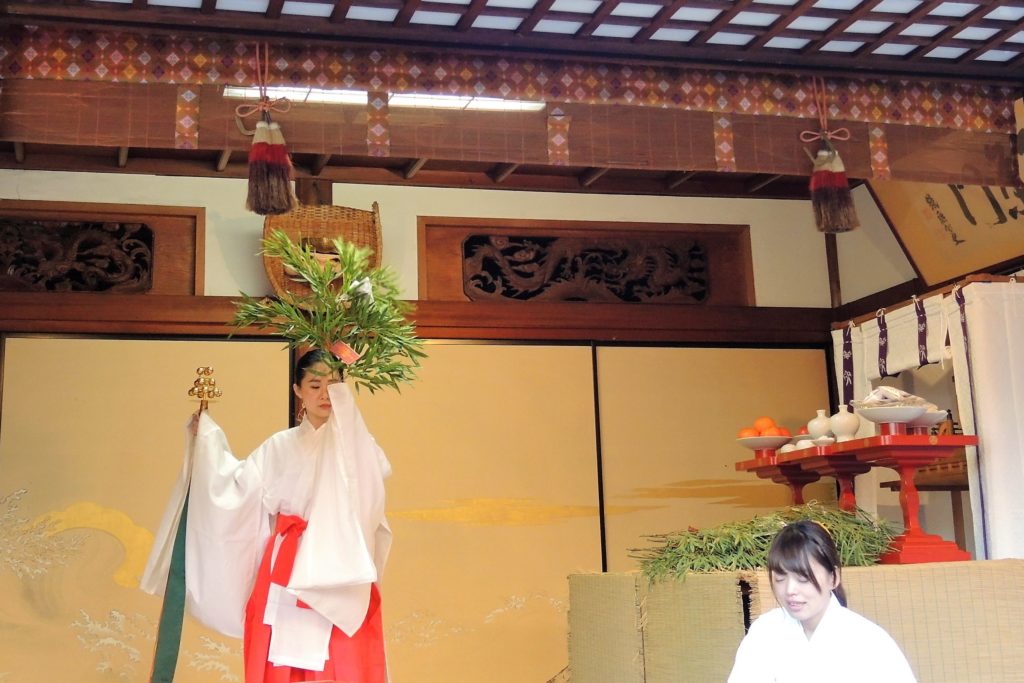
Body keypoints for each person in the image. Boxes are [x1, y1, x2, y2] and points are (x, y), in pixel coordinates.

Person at [142, 349, 392, 683]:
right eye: (314, 385)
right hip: (284, 569)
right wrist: (208, 441)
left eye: (333, 385)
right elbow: (235, 488)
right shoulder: (279, 446)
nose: (324, 394)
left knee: (340, 664)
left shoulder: (358, 446)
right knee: (278, 662)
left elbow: (370, 492)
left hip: (339, 569)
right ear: (298, 390)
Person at [727, 520, 917, 683]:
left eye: (803, 579)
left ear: (833, 578)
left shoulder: (868, 640)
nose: (790, 590)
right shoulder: (765, 631)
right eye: (780, 578)